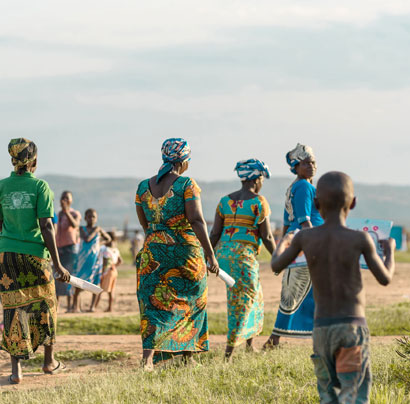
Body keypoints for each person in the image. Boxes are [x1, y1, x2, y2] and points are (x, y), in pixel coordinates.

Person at [271, 171, 395, 404]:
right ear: (353, 203)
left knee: (327, 393)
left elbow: (276, 264)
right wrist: (390, 251)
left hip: (321, 330)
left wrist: (284, 242)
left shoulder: (305, 238)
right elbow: (385, 278)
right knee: (353, 393)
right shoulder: (360, 239)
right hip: (351, 327)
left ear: (317, 204)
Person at [134, 138, 219, 371]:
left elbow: (145, 224)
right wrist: (210, 254)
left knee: (153, 306)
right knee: (192, 301)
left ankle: (148, 360)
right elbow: (196, 219)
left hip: (153, 253)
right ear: (183, 161)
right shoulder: (187, 184)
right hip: (186, 254)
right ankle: (187, 357)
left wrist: (158, 240)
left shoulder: (142, 187)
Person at [0, 138, 71, 383]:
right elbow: (46, 225)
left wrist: (12, 236)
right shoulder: (41, 187)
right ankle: (49, 362)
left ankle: (16, 371)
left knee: (13, 308)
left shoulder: (2, 186)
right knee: (47, 305)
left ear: (13, 159)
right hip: (35, 256)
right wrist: (57, 264)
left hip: (6, 255)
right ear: (34, 161)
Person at [209, 159, 276, 359]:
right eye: (262, 178)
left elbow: (214, 233)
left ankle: (248, 345)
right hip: (243, 256)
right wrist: (279, 258)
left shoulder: (224, 201)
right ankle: (228, 353)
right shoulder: (258, 202)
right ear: (257, 179)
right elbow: (267, 236)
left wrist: (209, 256)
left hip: (223, 255)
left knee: (245, 296)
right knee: (246, 299)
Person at [264, 143, 324, 349]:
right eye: (305, 163)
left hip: (296, 242)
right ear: (296, 167)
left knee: (299, 291)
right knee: (296, 293)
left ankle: (276, 339)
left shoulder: (295, 187)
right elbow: (304, 220)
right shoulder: (304, 187)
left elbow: (287, 224)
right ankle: (274, 340)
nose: (311, 166)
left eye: (313, 162)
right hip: (307, 242)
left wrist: (284, 248)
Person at [71, 209, 113, 313]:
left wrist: (100, 243)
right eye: (89, 216)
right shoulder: (82, 228)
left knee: (95, 283)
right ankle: (76, 307)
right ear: (85, 218)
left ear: (96, 218)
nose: (91, 219)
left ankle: (92, 307)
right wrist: (97, 230)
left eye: (93, 216)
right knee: (78, 283)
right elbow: (87, 238)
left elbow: (108, 238)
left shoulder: (98, 230)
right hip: (82, 259)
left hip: (94, 260)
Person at [55, 190, 81, 311]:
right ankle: (57, 304)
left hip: (70, 248)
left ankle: (71, 305)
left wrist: (67, 212)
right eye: (63, 198)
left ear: (71, 200)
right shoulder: (58, 214)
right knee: (58, 276)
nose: (65, 200)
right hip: (59, 248)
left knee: (69, 276)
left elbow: (75, 225)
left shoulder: (74, 213)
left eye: (67, 198)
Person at [95, 231, 122, 312]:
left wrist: (102, 273)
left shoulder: (104, 249)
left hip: (107, 272)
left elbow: (105, 262)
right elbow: (120, 261)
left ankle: (94, 306)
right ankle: (110, 307)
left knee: (99, 290)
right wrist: (114, 266)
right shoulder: (115, 249)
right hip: (114, 271)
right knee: (111, 291)